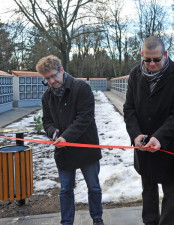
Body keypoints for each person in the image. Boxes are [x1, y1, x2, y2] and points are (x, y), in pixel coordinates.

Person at [123, 36, 174, 225]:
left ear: (165, 54)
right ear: (142, 56)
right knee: (148, 190)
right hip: (144, 144)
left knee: (171, 193)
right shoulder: (135, 74)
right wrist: (136, 134)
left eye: (156, 59)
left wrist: (159, 137)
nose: (151, 64)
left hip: (169, 143)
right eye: (147, 60)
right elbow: (129, 109)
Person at [36, 55, 104, 225]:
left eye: (53, 76)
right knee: (66, 189)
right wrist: (53, 133)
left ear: (62, 70)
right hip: (63, 151)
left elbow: (84, 118)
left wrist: (66, 136)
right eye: (47, 78)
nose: (51, 81)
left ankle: (97, 218)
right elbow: (47, 121)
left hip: (86, 147)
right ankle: (66, 222)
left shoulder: (81, 88)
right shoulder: (47, 97)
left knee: (93, 187)